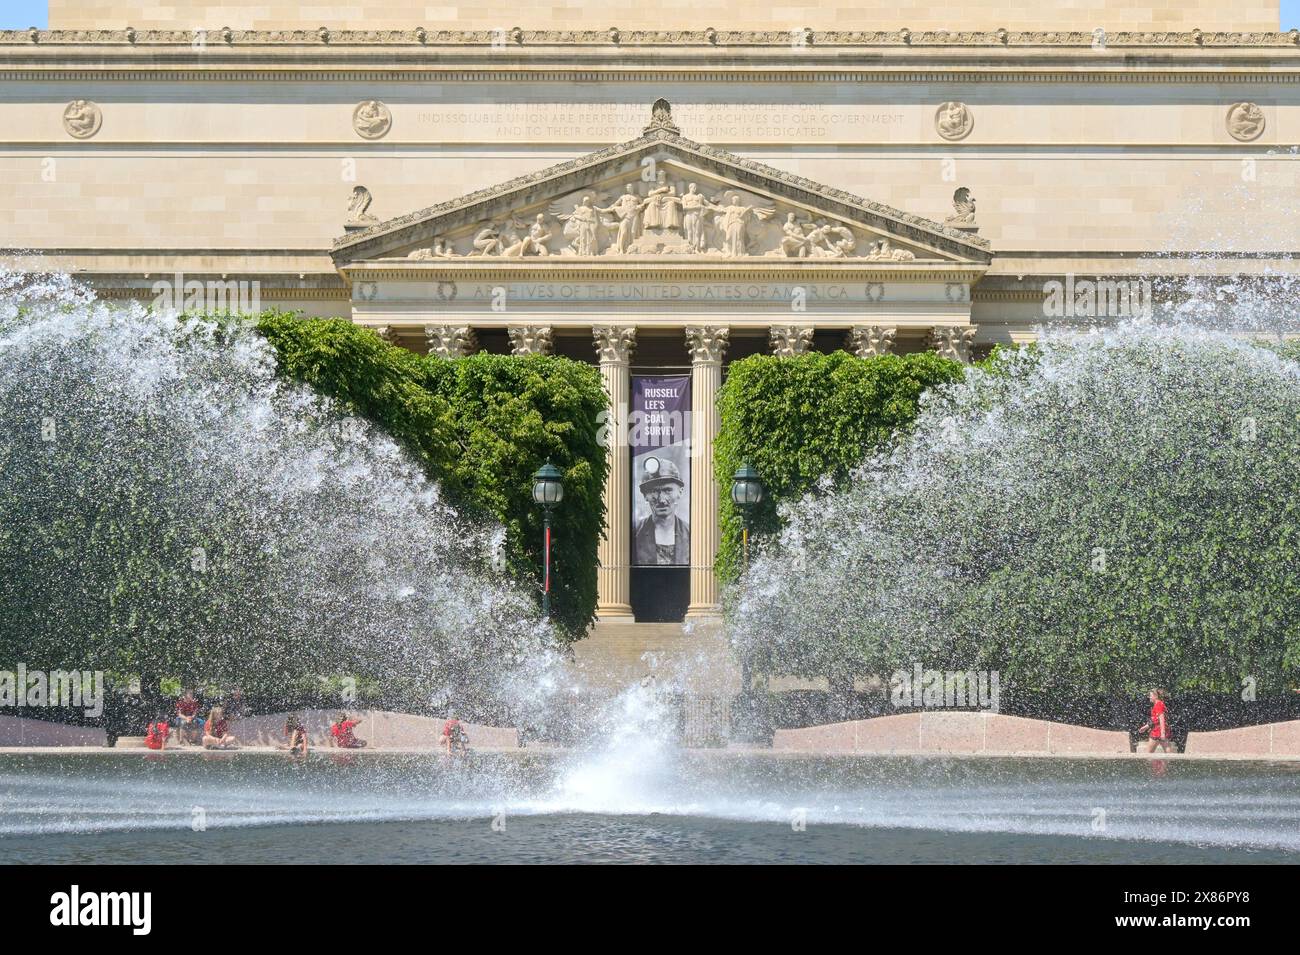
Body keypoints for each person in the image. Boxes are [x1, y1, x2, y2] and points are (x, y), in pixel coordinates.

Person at [633, 456, 690, 565]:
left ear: (680, 492)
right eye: (654, 491)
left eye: (668, 490)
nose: (661, 500)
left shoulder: (692, 533)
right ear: (645, 495)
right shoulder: (634, 533)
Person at [1138, 688, 1173, 754]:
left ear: (1155, 696)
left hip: (1157, 731)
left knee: (1148, 753)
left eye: (1150, 696)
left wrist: (1162, 733)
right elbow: (1155, 720)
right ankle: (1172, 763)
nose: (1149, 697)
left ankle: (1148, 764)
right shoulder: (1159, 704)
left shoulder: (1158, 704)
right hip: (1161, 729)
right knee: (1168, 752)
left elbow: (1162, 719)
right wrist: (1146, 727)